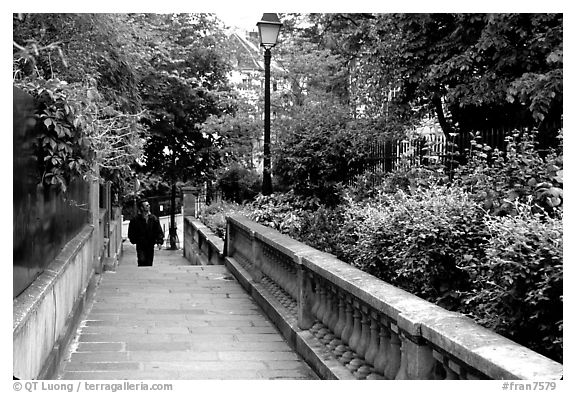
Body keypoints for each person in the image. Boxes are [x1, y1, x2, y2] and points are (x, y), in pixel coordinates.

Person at [128, 200, 164, 267]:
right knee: (141, 260)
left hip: (150, 244)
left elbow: (158, 230)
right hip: (140, 244)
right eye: (146, 205)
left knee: (149, 261)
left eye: (148, 205)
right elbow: (131, 231)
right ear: (142, 208)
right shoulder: (135, 220)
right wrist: (134, 240)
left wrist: (159, 241)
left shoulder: (153, 219)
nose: (149, 206)